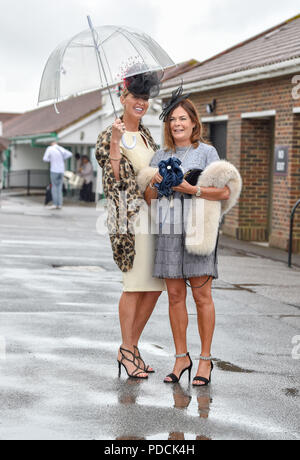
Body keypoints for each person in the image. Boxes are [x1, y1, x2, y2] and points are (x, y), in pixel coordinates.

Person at [141, 87, 242, 386]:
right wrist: (155, 182)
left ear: (194, 123)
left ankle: (205, 360)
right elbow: (148, 198)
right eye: (172, 119)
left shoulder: (207, 153)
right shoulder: (160, 155)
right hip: (168, 232)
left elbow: (224, 192)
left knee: (202, 297)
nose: (177, 124)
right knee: (174, 297)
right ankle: (181, 357)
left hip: (199, 230)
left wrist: (191, 189)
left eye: (183, 118)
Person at [95, 70, 166, 379]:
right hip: (130, 219)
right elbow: (116, 179)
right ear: (122, 98)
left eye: (145, 98)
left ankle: (131, 348)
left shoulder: (148, 135)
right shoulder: (109, 134)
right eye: (135, 97)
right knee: (134, 286)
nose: (140, 103)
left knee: (154, 287)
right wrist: (114, 141)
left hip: (155, 217)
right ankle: (127, 349)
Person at [43, 142, 72, 210]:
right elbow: (70, 154)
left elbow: (45, 159)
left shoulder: (50, 149)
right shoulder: (61, 148)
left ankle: (55, 204)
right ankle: (60, 204)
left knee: (54, 187)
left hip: (54, 170)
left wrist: (51, 159)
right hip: (61, 171)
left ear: (51, 144)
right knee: (59, 188)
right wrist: (62, 158)